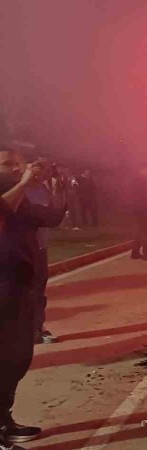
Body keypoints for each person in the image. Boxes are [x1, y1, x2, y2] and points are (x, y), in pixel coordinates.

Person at [1, 149, 66, 450]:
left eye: (17, 164)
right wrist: (25, 183)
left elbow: (51, 217)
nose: (16, 168)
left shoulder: (20, 199)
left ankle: (4, 420)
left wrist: (57, 186)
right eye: (7, 164)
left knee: (17, 358)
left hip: (19, 288)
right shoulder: (11, 196)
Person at [24, 163, 65, 344]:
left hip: (41, 247)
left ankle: (38, 328)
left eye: (47, 170)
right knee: (23, 291)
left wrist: (58, 188)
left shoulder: (44, 189)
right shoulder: (18, 189)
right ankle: (25, 331)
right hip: (22, 248)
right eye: (39, 168)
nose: (44, 173)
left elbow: (55, 214)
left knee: (39, 290)